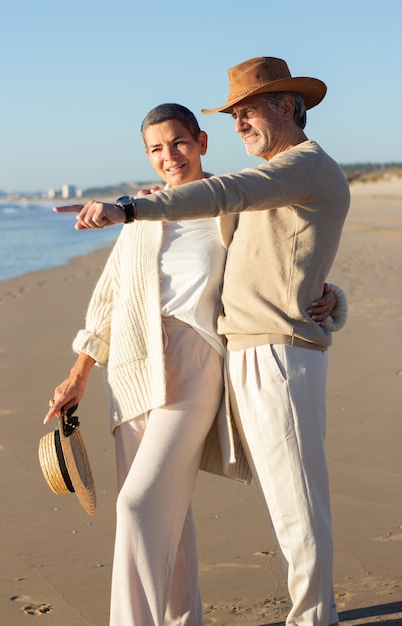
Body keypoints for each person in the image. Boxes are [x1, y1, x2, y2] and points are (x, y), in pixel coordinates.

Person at [52, 56, 350, 626]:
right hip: (140, 367)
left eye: (248, 110)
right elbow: (114, 298)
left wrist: (129, 208)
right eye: (157, 150)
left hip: (219, 357)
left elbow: (259, 229)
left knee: (150, 506)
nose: (170, 157)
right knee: (169, 512)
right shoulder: (198, 202)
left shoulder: (243, 192)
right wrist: (77, 375)